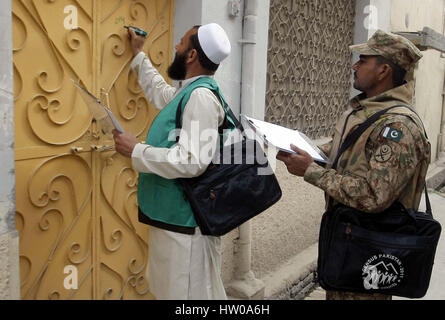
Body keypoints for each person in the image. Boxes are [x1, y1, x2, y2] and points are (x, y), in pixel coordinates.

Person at [276, 30, 430, 300]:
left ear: (383, 70)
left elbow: (374, 195)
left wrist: (311, 171)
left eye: (363, 60)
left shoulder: (397, 126)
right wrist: (297, 148)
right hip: (347, 242)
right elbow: (343, 153)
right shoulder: (364, 111)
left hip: (370, 250)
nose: (354, 66)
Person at [112, 23, 234, 300]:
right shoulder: (189, 93)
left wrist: (136, 151)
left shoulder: (201, 97)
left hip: (186, 229)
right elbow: (162, 94)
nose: (175, 48)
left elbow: (192, 162)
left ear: (191, 55)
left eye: (180, 43)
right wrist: (138, 55)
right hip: (174, 223)